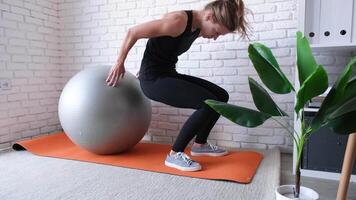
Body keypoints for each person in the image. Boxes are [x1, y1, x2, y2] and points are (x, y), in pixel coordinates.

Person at [106, 0, 249, 172]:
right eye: (217, 32)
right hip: (153, 80)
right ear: (209, 16)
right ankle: (175, 154)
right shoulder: (178, 21)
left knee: (221, 96)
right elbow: (133, 32)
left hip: (168, 74)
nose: (215, 37)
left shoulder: (198, 26)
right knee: (206, 102)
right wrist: (119, 62)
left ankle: (200, 144)